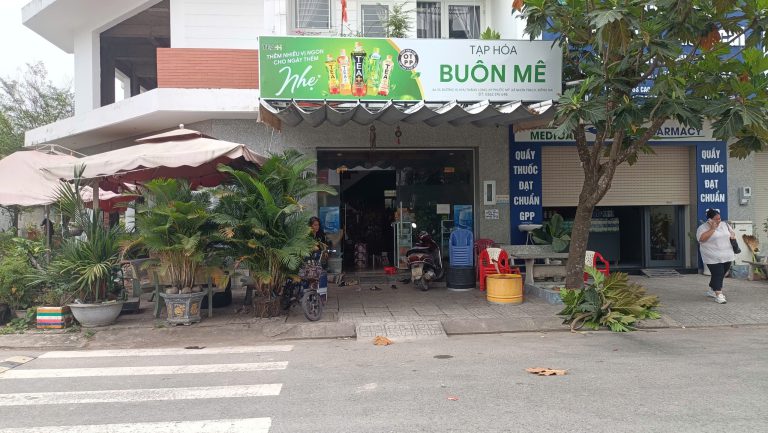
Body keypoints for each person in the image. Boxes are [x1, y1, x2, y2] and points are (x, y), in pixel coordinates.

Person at [696, 209, 735, 304]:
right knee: (718, 273)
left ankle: (712, 289)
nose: (718, 220)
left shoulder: (725, 225)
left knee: (722, 273)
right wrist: (712, 229)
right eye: (716, 219)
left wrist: (733, 236)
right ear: (709, 219)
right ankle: (719, 295)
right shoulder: (703, 227)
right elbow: (701, 239)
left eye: (719, 218)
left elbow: (732, 233)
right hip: (712, 255)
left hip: (727, 255)